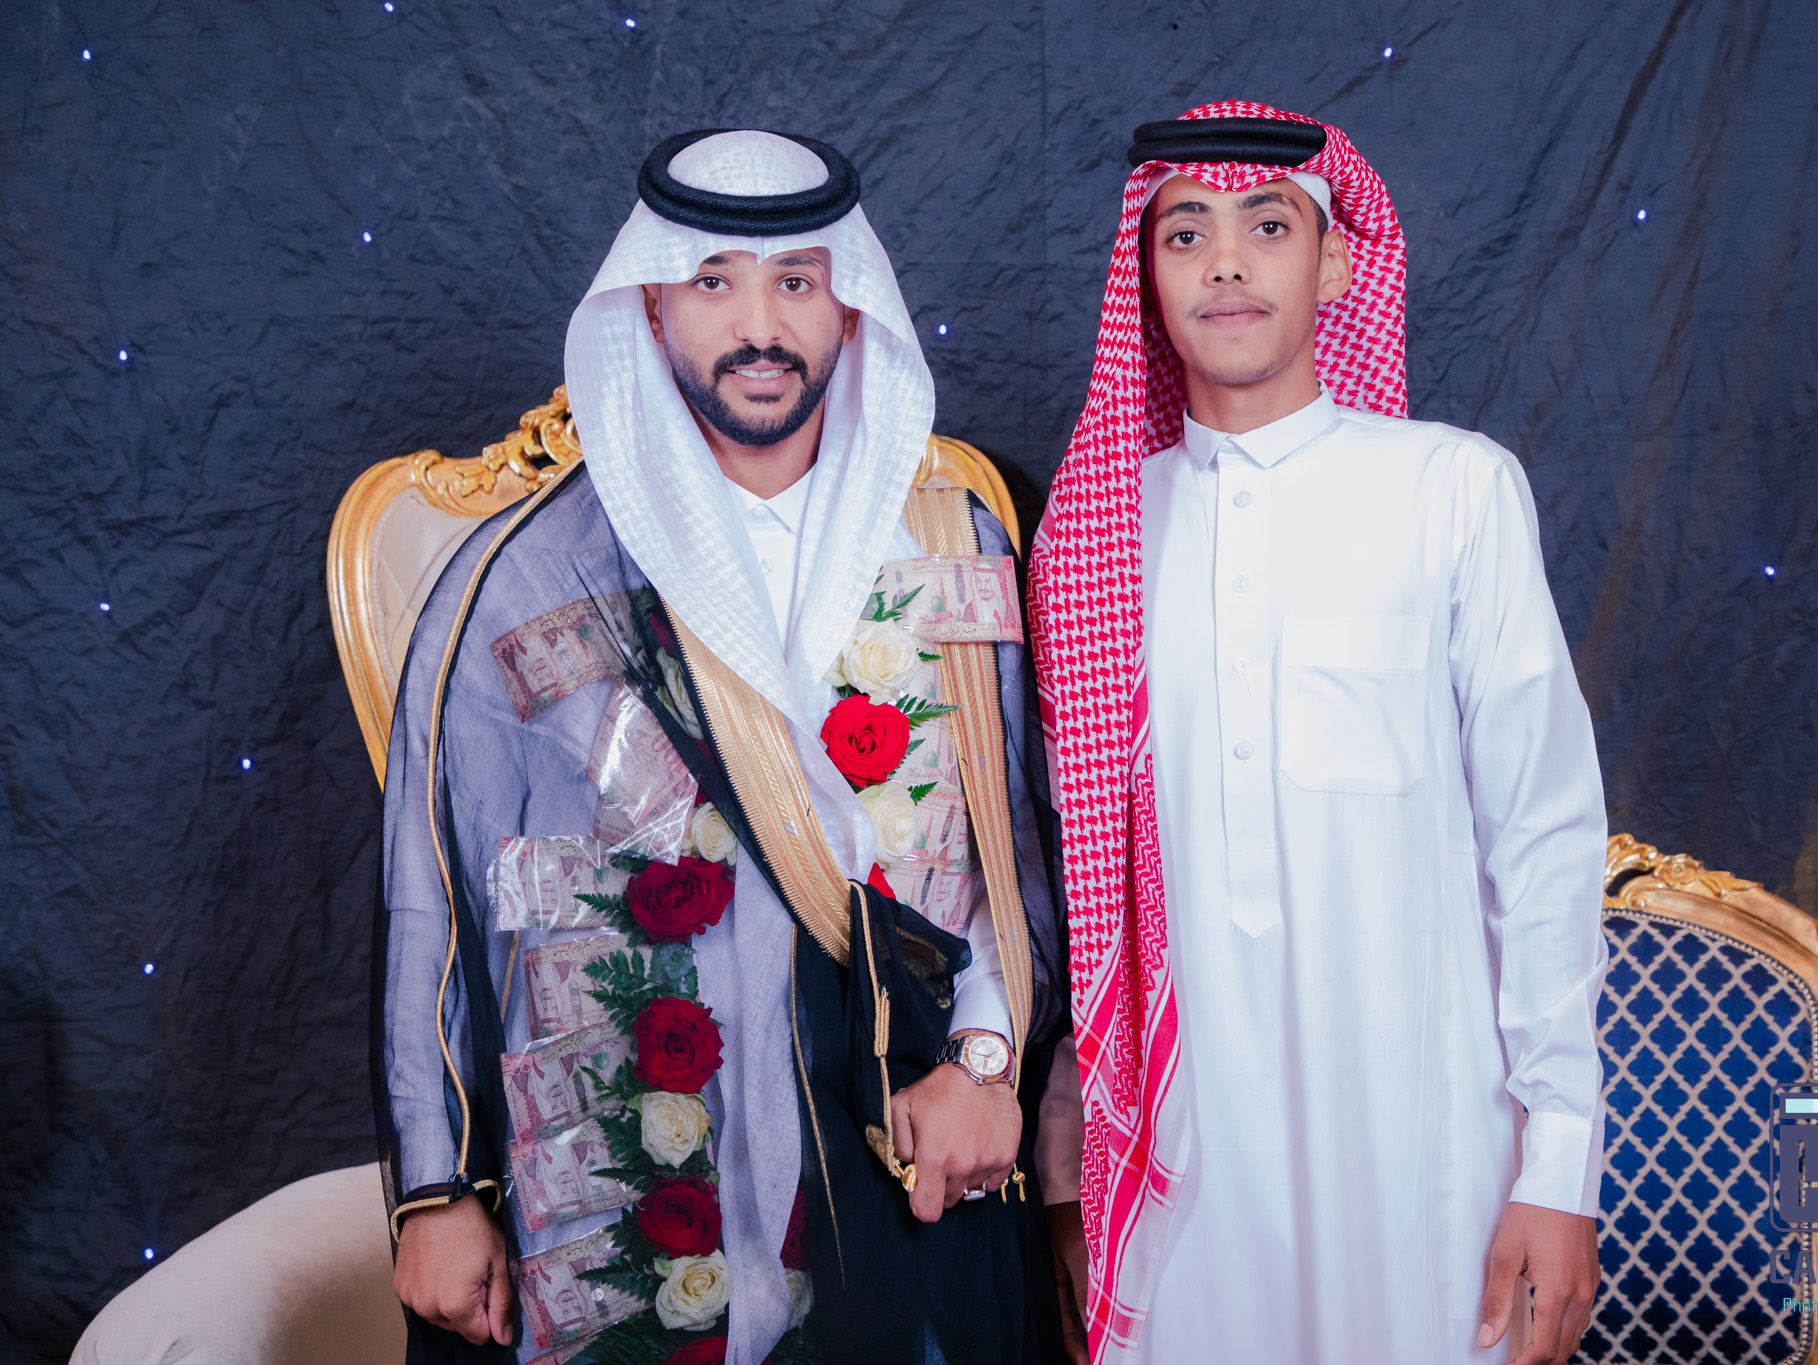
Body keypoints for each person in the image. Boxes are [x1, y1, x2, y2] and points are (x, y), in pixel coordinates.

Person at [375, 128, 1073, 1365]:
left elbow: (1017, 857)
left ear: (850, 308)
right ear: (649, 308)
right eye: (712, 283)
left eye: (795, 282)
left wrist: (981, 1066)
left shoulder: (954, 541)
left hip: (909, 1144)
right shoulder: (521, 577)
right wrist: (435, 1191)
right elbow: (436, 897)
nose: (759, 327)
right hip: (636, 1186)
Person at [1026, 103, 1609, 1364]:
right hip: (1184, 1161)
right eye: (1186, 234)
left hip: (1423, 1149)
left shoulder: (1450, 488)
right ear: (1146, 278)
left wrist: (1559, 1165)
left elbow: (1543, 839)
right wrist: (1071, 1174)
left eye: (1268, 226)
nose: (1225, 262)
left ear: (1335, 264)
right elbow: (1082, 896)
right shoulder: (1093, 535)